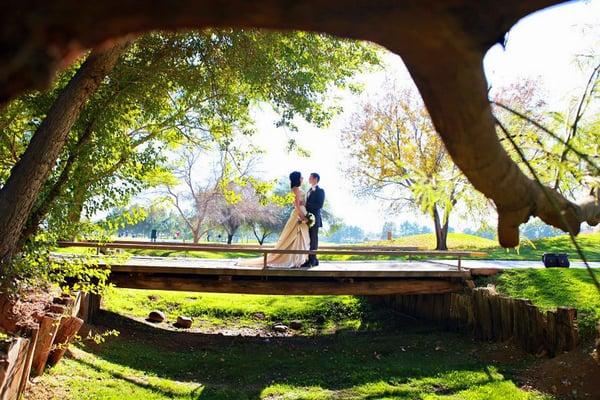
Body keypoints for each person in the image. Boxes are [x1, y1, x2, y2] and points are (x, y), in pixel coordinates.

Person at [238, 171, 310, 268]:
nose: (302, 178)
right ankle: (294, 260)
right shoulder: (296, 189)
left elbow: (302, 203)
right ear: (297, 178)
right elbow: (296, 205)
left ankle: (299, 259)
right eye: (301, 177)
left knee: (300, 237)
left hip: (302, 211)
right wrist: (302, 216)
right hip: (298, 214)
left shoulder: (297, 189)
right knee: (294, 236)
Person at [301, 173, 325, 267]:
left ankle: (313, 260)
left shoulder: (320, 191)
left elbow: (319, 205)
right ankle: (310, 259)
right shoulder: (309, 190)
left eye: (310, 177)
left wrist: (306, 206)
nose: (309, 179)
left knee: (313, 239)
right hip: (308, 219)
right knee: (308, 239)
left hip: (315, 219)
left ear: (315, 179)